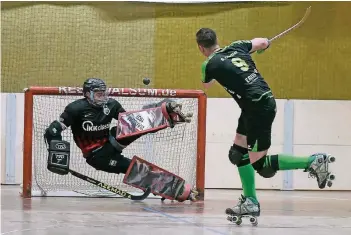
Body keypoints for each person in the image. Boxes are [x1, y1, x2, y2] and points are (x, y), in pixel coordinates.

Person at [195, 28, 335, 219]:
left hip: (257, 109)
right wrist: (265, 45)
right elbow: (261, 42)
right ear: (217, 40)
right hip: (255, 104)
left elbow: (207, 84)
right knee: (238, 154)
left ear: (201, 48)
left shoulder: (208, 64)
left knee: (261, 165)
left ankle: (313, 162)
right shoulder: (237, 46)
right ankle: (250, 201)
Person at [44, 78, 198, 202]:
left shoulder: (111, 105)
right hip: (97, 157)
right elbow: (52, 131)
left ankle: (165, 114)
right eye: (98, 94)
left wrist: (156, 112)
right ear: (88, 94)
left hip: (110, 141)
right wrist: (58, 157)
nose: (103, 97)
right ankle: (176, 190)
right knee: (133, 168)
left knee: (131, 123)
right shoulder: (75, 109)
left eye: (104, 93)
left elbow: (131, 122)